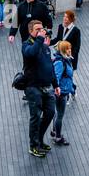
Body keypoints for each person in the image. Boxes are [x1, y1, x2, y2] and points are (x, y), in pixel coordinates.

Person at [21, 20, 58, 158]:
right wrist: (40, 40)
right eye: (37, 29)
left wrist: (56, 85)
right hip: (33, 87)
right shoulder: (27, 45)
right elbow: (30, 54)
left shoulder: (44, 46)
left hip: (46, 87)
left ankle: (39, 139)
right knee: (35, 117)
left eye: (41, 29)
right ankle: (33, 145)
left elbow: (50, 67)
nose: (41, 31)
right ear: (30, 31)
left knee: (49, 112)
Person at [50, 40, 75, 146]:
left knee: (57, 113)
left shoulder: (66, 59)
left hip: (64, 90)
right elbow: (56, 77)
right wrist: (57, 90)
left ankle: (54, 131)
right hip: (61, 92)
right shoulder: (60, 62)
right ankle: (58, 137)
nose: (70, 50)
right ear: (64, 50)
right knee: (60, 114)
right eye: (68, 48)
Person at [52, 9, 81, 74]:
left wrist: (70, 56)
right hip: (60, 54)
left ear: (71, 19)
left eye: (67, 17)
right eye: (64, 16)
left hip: (69, 56)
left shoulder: (76, 31)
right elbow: (58, 39)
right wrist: (49, 43)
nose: (64, 18)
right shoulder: (61, 27)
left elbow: (77, 46)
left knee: (68, 74)